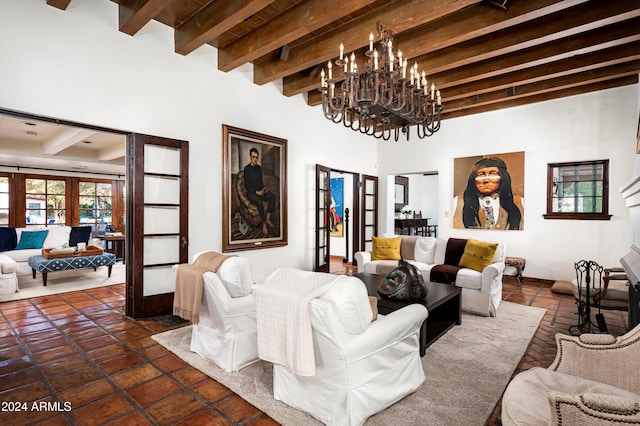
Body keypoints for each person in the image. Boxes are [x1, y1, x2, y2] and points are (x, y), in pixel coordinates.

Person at [453, 157, 524, 230]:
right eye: (481, 174)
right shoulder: (458, 203)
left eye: (493, 174)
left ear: (503, 177)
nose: (486, 180)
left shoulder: (520, 203)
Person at [243, 147, 276, 236]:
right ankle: (264, 224)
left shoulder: (259, 168)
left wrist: (264, 189)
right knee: (259, 202)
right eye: (253, 157)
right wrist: (257, 193)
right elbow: (247, 187)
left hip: (260, 191)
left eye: (257, 157)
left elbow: (260, 183)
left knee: (272, 196)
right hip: (251, 193)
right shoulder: (247, 169)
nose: (255, 159)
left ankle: (268, 219)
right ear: (250, 157)